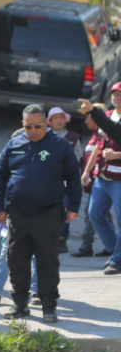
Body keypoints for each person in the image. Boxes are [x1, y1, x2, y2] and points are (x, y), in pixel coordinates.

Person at [0, 105, 81, 323]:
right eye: (28, 126)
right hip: (18, 214)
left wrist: (74, 206)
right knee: (16, 260)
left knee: (47, 262)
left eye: (37, 126)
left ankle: (49, 306)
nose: (33, 131)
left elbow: (73, 176)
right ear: (23, 124)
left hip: (49, 213)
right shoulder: (14, 144)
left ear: (46, 123)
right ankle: (20, 305)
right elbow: (0, 176)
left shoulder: (60, 145)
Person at [78, 95, 121, 275]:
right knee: (94, 214)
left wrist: (116, 156)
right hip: (102, 177)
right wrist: (87, 170)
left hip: (118, 178)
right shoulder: (108, 115)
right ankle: (116, 253)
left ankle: (117, 259)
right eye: (115, 94)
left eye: (120, 94)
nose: (116, 97)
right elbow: (98, 145)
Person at [73, 104, 113, 258]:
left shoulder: (106, 135)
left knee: (92, 213)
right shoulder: (96, 135)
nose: (85, 121)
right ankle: (112, 246)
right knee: (102, 215)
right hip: (94, 183)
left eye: (87, 116)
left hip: (102, 181)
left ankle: (86, 246)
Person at [46, 107, 82, 254]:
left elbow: (79, 157)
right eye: (55, 118)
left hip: (66, 181)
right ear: (49, 122)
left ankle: (62, 239)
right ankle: (47, 238)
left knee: (65, 209)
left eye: (61, 117)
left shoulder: (73, 137)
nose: (59, 120)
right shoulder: (44, 137)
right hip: (47, 182)